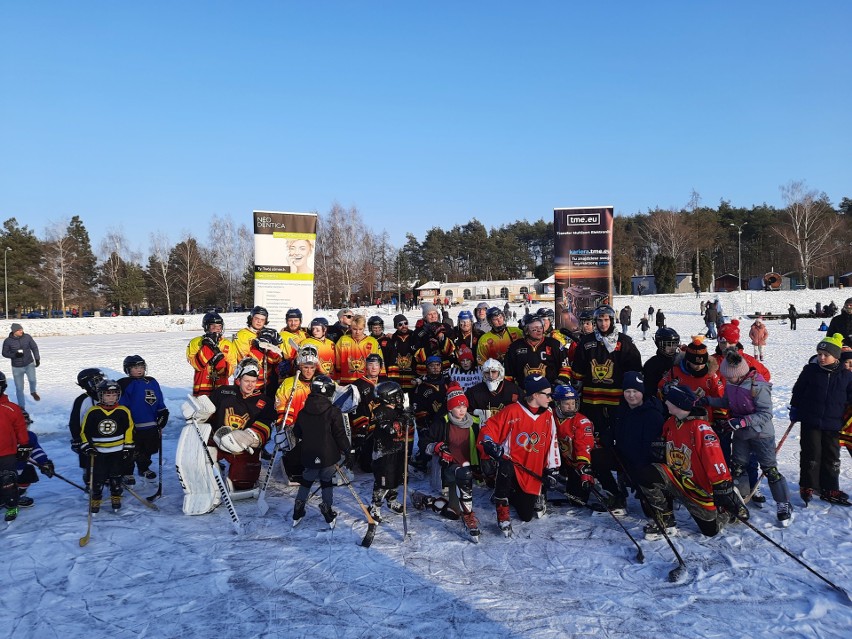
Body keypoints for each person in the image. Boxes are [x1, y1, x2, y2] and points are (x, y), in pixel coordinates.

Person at [637, 384, 747, 540]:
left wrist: (723, 486)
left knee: (710, 531)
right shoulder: (671, 422)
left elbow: (714, 458)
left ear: (678, 404)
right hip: (677, 478)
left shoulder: (701, 428)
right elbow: (664, 439)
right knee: (647, 474)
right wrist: (659, 446)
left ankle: (728, 510)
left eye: (668, 401)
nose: (665, 403)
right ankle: (665, 519)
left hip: (699, 489)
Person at [706, 349, 793, 525]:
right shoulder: (732, 384)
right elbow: (726, 402)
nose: (727, 380)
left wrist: (741, 422)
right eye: (726, 377)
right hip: (741, 434)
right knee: (737, 467)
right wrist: (707, 400)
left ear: (741, 373)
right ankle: (740, 499)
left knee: (770, 469)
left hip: (761, 434)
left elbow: (766, 414)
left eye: (730, 377)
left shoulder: (758, 386)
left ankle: (784, 504)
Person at [477, 375, 560, 535]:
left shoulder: (548, 415)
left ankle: (511, 493)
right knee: (506, 465)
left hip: (532, 471)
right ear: (535, 394)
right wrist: (488, 441)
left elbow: (552, 443)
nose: (550, 398)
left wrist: (552, 469)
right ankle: (502, 507)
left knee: (526, 516)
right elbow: (490, 427)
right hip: (512, 466)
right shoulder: (512, 411)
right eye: (547, 394)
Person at [790, 334, 852, 506]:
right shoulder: (810, 371)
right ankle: (808, 485)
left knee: (832, 456)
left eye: (826, 354)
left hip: (833, 423)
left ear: (836, 356)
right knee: (811, 453)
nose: (822, 358)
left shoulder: (846, 376)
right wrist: (795, 408)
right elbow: (798, 391)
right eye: (819, 354)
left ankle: (830, 487)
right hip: (811, 421)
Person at [571, 305, 642, 449]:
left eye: (606, 320)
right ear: (595, 321)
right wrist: (576, 384)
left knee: (619, 432)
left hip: (617, 398)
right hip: (592, 399)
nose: (603, 324)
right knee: (594, 434)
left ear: (611, 320)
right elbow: (578, 367)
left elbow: (634, 367)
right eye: (600, 320)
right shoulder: (586, 342)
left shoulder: (624, 341)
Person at [422, 384, 483, 539]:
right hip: (449, 469)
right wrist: (437, 447)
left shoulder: (475, 423)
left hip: (469, 469)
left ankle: (428, 501)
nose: (461, 410)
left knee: (452, 511)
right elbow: (424, 443)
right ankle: (469, 517)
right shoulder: (442, 423)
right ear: (450, 408)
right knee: (455, 513)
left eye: (463, 405)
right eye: (457, 407)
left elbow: (483, 443)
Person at [291, 375, 349, 529]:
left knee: (307, 480)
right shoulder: (333, 411)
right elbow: (340, 435)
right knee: (326, 481)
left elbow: (297, 432)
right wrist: (348, 451)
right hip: (328, 455)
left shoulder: (303, 412)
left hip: (309, 454)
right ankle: (327, 508)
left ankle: (298, 506)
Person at [611, 372, 665, 514]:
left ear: (642, 391)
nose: (631, 395)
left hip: (644, 466)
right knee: (599, 457)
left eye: (635, 391)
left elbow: (652, 451)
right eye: (627, 391)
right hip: (624, 459)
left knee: (649, 513)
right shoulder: (621, 409)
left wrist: (636, 476)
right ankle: (616, 494)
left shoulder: (653, 415)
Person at [79, 380, 135, 513]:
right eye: (108, 395)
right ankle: (96, 498)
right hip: (99, 452)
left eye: (114, 395)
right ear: (101, 396)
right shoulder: (93, 412)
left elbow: (129, 429)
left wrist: (128, 447)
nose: (111, 398)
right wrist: (87, 446)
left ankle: (116, 496)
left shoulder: (123, 411)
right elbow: (84, 431)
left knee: (116, 477)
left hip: (117, 451)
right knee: (98, 478)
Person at [367, 381, 414, 522]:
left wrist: (408, 414)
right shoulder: (380, 412)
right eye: (398, 394)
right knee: (384, 481)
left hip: (398, 450)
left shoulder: (398, 409)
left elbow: (409, 424)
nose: (401, 397)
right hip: (384, 453)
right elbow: (390, 429)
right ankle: (375, 506)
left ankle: (391, 500)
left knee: (398, 477)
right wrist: (402, 419)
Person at [118, 355, 169, 482]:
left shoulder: (152, 381)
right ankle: (127, 472)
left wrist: (163, 412)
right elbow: (122, 405)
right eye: (135, 367)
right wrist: (125, 422)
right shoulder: (125, 383)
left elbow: (158, 399)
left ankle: (143, 468)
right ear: (127, 369)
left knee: (148, 449)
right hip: (133, 425)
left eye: (141, 367)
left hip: (151, 423)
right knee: (130, 450)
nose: (139, 370)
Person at [275, 346, 321, 484]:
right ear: (300, 366)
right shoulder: (289, 383)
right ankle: (293, 463)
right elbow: (280, 404)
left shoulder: (320, 383)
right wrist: (287, 423)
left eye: (312, 368)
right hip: (293, 423)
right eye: (306, 367)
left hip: (314, 425)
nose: (309, 371)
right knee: (295, 447)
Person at [552, 383, 600, 510]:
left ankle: (593, 479)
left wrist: (584, 469)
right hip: (561, 458)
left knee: (577, 500)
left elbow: (583, 446)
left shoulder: (581, 421)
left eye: (573, 403)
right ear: (557, 404)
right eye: (566, 403)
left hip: (578, 462)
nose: (571, 407)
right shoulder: (550, 417)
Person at [504, 314, 570, 391]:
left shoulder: (554, 344)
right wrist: (513, 390)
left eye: (540, 327)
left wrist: (557, 385)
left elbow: (566, 368)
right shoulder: (515, 347)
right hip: (523, 394)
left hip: (550, 393)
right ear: (526, 330)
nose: (539, 331)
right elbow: (508, 374)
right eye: (534, 329)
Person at [411, 355, 451, 470]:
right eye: (432, 365)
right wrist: (424, 424)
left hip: (446, 421)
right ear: (427, 368)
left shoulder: (448, 382)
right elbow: (418, 408)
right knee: (426, 442)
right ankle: (422, 461)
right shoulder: (422, 386)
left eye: (438, 365)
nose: (435, 368)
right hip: (429, 422)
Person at [233, 306, 283, 395]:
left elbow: (274, 360)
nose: (259, 321)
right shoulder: (241, 335)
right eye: (256, 318)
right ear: (251, 318)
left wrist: (274, 348)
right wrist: (258, 347)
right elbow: (244, 360)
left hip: (266, 382)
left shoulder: (268, 334)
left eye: (262, 320)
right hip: (247, 382)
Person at [0, 370, 29, 521]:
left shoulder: (12, 408)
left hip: (6, 453)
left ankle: (12, 505)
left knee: (8, 479)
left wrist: (24, 446)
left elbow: (20, 429)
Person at [69, 368, 105, 486]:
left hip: (106, 437)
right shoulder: (82, 400)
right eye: (96, 380)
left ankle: (110, 480)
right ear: (87, 384)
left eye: (101, 379)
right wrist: (77, 439)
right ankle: (89, 482)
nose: (100, 382)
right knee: (88, 463)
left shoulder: (108, 395)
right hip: (87, 439)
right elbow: (74, 422)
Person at [186, 312, 235, 396]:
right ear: (206, 327)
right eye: (213, 326)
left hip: (222, 390)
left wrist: (219, 360)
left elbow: (230, 371)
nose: (217, 329)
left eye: (219, 326)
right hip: (202, 390)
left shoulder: (228, 345)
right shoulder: (196, 342)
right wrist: (207, 347)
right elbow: (197, 365)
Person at [335, 315, 383, 384]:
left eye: (360, 329)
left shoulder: (372, 342)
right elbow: (337, 362)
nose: (357, 332)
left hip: (366, 382)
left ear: (364, 328)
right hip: (346, 381)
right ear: (350, 327)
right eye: (354, 329)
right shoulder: (343, 340)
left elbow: (379, 363)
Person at [2, 322, 40, 408]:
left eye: (22, 329)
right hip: (17, 367)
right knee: (19, 388)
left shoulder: (27, 337)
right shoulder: (8, 341)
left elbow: (34, 347)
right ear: (14, 331)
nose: (21, 331)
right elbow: (4, 353)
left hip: (29, 363)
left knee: (32, 380)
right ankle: (22, 407)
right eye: (19, 330)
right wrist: (15, 355)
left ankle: (33, 391)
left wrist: (37, 358)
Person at [15, 429, 55, 508]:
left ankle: (15, 496)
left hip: (16, 471)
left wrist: (44, 463)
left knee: (29, 471)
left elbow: (36, 450)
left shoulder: (29, 436)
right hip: (4, 470)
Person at [642, 327, 681, 400]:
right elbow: (648, 389)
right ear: (659, 344)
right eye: (669, 345)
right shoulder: (652, 364)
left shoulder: (679, 360)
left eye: (675, 344)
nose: (673, 348)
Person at [385, 314, 418, 395]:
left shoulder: (414, 336)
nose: (404, 326)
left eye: (405, 323)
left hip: (412, 376)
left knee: (414, 403)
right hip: (397, 377)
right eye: (400, 324)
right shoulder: (393, 338)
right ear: (396, 326)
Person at [278, 308, 309, 379]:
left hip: (304, 372)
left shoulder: (304, 334)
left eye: (296, 320)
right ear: (286, 321)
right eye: (290, 320)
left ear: (300, 321)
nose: (293, 323)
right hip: (288, 374)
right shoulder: (281, 335)